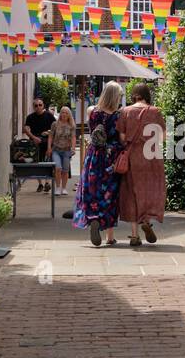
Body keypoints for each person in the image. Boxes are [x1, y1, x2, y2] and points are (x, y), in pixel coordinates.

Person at [73, 81, 123, 247]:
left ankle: (93, 219)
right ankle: (109, 236)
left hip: (93, 156)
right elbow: (121, 139)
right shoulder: (118, 115)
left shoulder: (92, 111)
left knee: (92, 191)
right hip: (110, 158)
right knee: (109, 195)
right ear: (116, 97)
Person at [117, 81, 166, 248]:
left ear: (134, 95)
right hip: (152, 156)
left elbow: (122, 138)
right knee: (149, 190)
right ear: (147, 95)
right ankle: (146, 220)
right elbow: (163, 137)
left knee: (131, 193)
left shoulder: (125, 111)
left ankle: (134, 235)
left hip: (132, 157)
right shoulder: (155, 112)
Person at [24, 96, 54, 192]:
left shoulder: (49, 116)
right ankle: (40, 184)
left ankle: (47, 183)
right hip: (35, 143)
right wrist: (34, 138)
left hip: (47, 142)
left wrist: (48, 132)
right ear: (33, 107)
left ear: (43, 105)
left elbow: (55, 127)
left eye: (40, 105)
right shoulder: (30, 117)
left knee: (47, 162)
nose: (38, 107)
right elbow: (26, 129)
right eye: (36, 105)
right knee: (36, 163)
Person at [47, 104, 77, 194]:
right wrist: (49, 147)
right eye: (63, 112)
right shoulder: (55, 124)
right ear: (60, 114)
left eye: (66, 113)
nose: (64, 114)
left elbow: (73, 137)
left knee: (65, 170)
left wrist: (73, 148)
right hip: (56, 149)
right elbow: (51, 136)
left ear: (69, 115)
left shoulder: (71, 125)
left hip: (67, 150)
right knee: (58, 168)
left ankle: (64, 188)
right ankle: (57, 187)